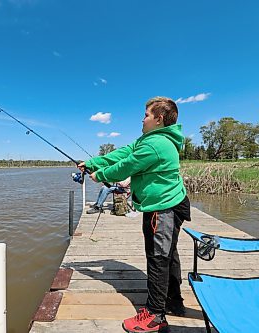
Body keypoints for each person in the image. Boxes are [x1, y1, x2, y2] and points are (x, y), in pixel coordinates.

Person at [79, 96, 190, 333]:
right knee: (168, 254)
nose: (142, 119)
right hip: (168, 204)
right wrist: (92, 162)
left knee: (158, 258)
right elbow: (122, 154)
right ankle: (173, 301)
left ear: (159, 119)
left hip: (163, 208)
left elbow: (125, 167)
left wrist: (99, 175)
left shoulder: (155, 145)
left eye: (147, 115)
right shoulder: (151, 140)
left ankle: (155, 316)